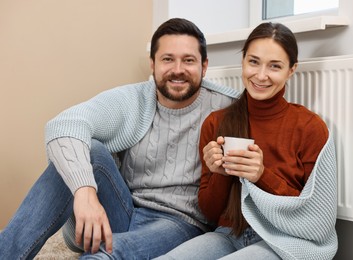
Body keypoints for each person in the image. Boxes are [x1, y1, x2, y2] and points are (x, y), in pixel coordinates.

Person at [0, 18, 240, 259]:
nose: (177, 69)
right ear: (152, 64)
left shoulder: (228, 107)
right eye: (167, 59)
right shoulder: (135, 100)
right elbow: (62, 126)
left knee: (110, 254)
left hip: (178, 222)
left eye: (188, 60)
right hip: (123, 208)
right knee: (87, 148)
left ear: (204, 66)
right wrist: (85, 192)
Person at [157, 22, 338, 260]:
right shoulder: (217, 123)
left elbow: (316, 218)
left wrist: (261, 175)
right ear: (243, 61)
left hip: (282, 239)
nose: (261, 75)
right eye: (253, 62)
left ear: (291, 70)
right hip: (228, 233)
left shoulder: (309, 127)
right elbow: (211, 213)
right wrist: (219, 173)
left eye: (275, 66)